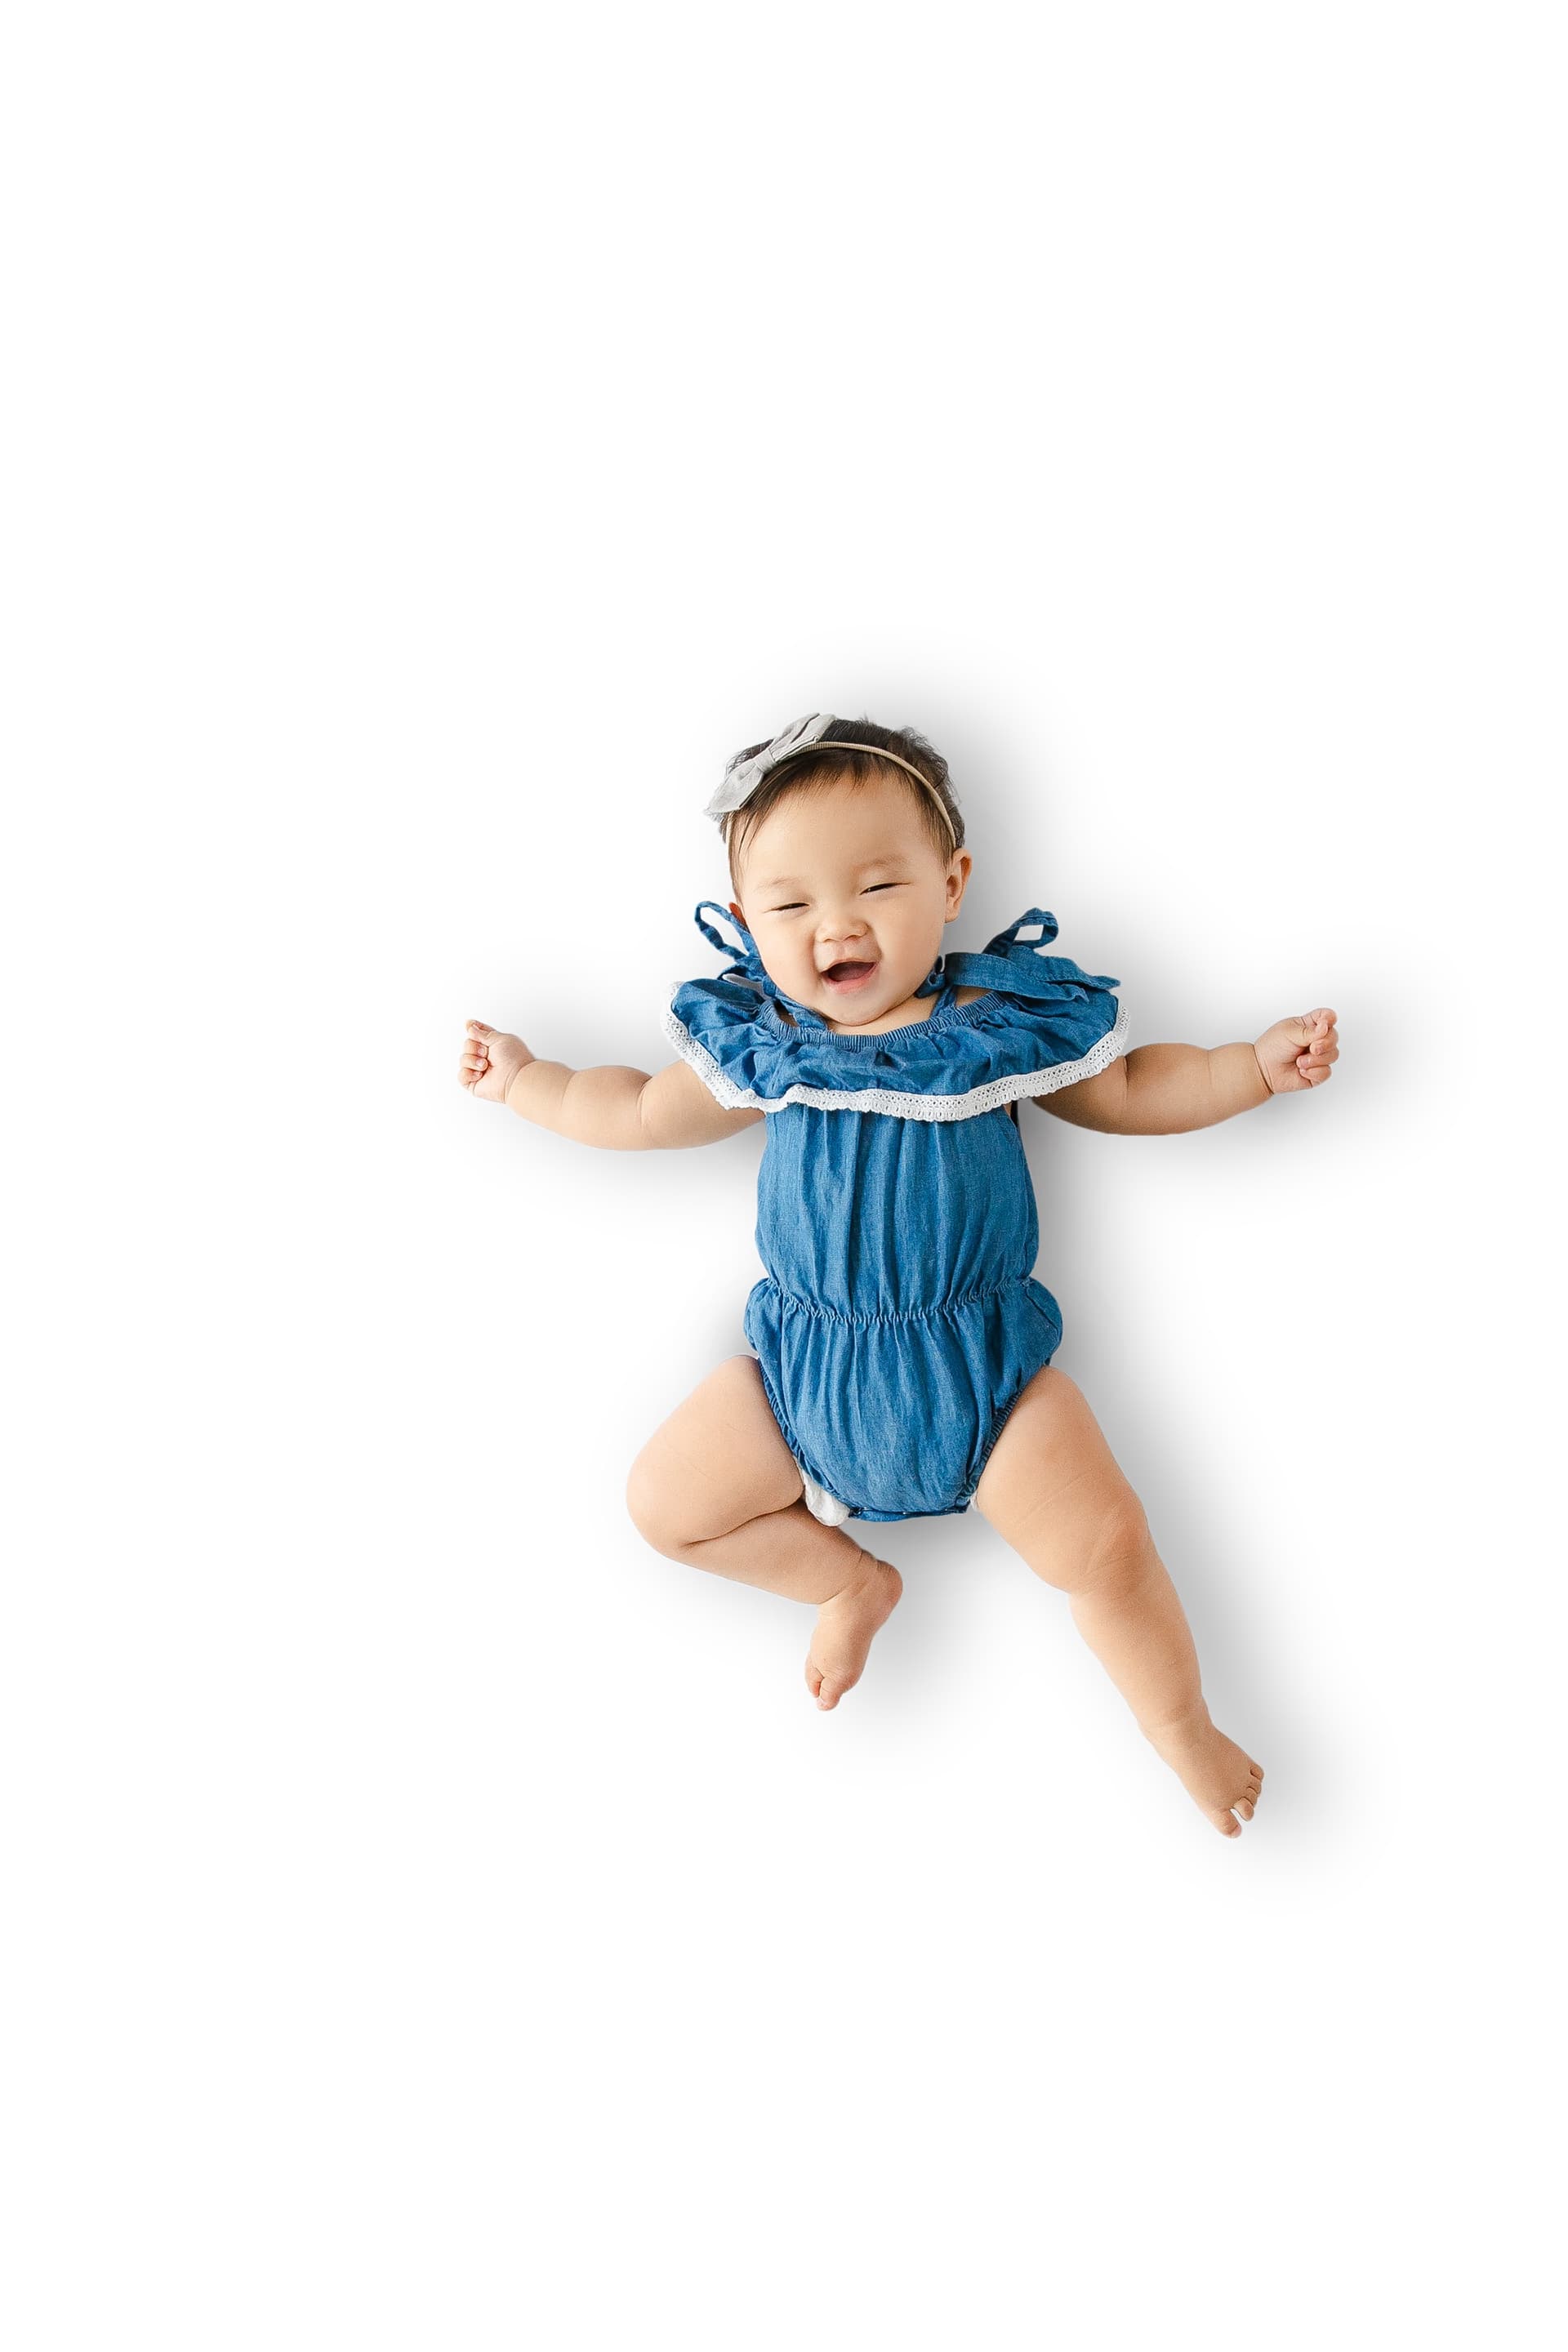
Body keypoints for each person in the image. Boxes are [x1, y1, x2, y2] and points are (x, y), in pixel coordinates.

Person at [459, 714, 1340, 1837]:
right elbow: (630, 1109)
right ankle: (843, 1581)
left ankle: (1183, 1728)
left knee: (1109, 1549)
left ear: (951, 882)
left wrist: (1250, 1068)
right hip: (801, 1385)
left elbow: (1129, 1090)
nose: (838, 925)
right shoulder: (767, 1045)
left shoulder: (990, 1030)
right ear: (745, 921)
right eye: (791, 905)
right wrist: (524, 1080)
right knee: (664, 1508)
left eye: (877, 886)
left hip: (986, 1380)